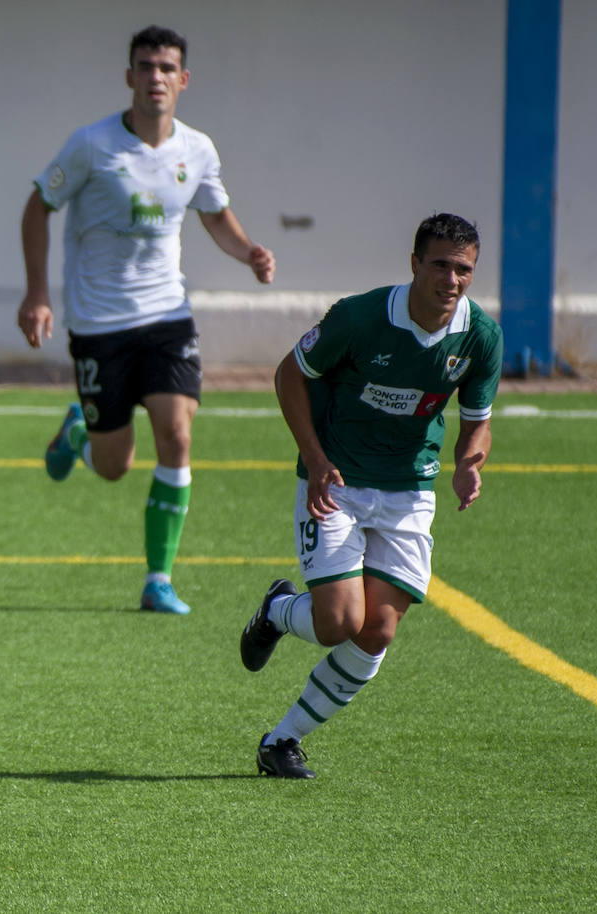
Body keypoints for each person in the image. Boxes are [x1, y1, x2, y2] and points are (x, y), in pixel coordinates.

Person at [16, 24, 276, 616]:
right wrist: (37, 293)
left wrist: (249, 252)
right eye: (145, 66)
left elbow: (215, 214)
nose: (156, 77)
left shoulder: (198, 149)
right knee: (114, 467)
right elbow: (38, 206)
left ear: (183, 80)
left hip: (168, 316)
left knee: (178, 436)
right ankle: (80, 432)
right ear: (129, 76)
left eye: (166, 68)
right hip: (98, 324)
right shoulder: (90, 145)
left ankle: (158, 579)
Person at [239, 213, 503, 779]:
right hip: (338, 480)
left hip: (410, 489)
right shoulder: (359, 317)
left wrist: (467, 463)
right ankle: (279, 611)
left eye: (464, 269)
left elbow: (478, 420)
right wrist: (314, 460)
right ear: (414, 264)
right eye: (440, 265)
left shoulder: (481, 336)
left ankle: (281, 741)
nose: (451, 279)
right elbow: (290, 375)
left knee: (377, 631)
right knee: (337, 622)